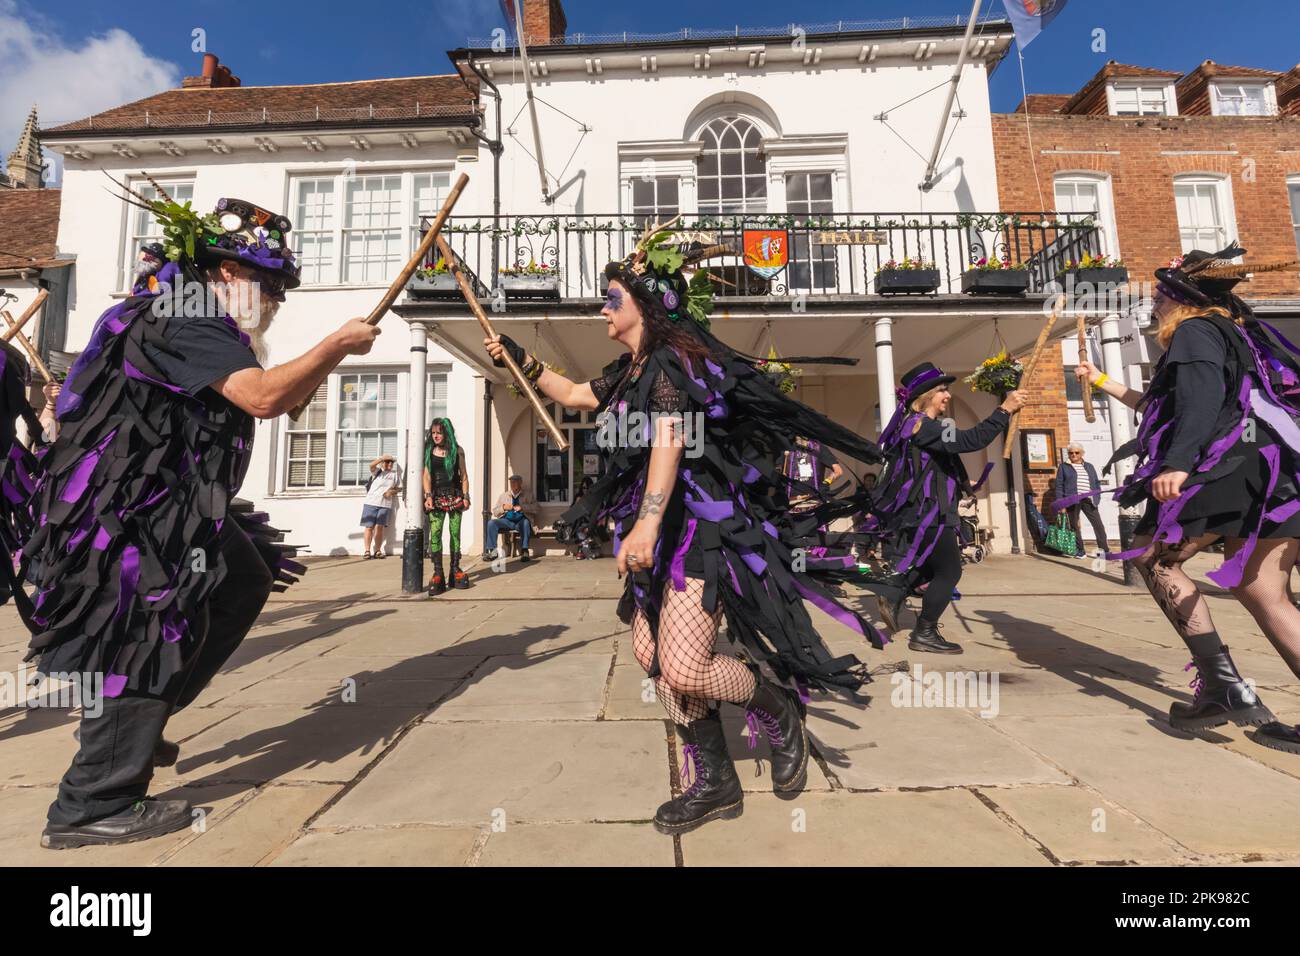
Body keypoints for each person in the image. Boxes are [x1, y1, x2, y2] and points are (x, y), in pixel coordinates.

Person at [484, 225, 902, 834]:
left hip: (693, 528)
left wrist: (649, 522)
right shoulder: (628, 371)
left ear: (644, 304)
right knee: (652, 653)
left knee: (683, 666)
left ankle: (778, 707)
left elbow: (672, 437)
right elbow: (575, 392)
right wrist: (519, 357)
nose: (602, 308)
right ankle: (717, 780)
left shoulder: (671, 365)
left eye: (611, 298)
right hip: (657, 529)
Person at [17, 190, 380, 849]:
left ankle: (141, 726)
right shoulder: (185, 314)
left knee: (242, 576)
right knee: (148, 630)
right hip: (127, 520)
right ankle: (91, 803)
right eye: (269, 284)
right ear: (229, 273)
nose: (273, 299)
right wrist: (337, 344)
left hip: (167, 502)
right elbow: (263, 397)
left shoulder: (188, 310)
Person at [1071, 243, 1300, 752]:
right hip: (1269, 474)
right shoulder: (1229, 331)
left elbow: (1199, 403)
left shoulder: (1194, 332)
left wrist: (1177, 464)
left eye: (1159, 293)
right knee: (1262, 590)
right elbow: (1163, 406)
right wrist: (1102, 381)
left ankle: (1223, 688)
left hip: (1223, 469)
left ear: (1180, 297)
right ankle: (1224, 689)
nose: (1153, 302)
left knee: (1153, 556)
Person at [872, 363, 1026, 652]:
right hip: (930, 513)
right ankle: (924, 633)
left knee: (931, 568)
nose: (948, 396)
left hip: (924, 512)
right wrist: (1004, 409)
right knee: (949, 572)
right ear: (927, 395)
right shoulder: (924, 426)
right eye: (942, 390)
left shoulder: (916, 426)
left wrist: (963, 485)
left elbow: (939, 462)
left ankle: (894, 593)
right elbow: (971, 440)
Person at [423, 417, 470, 595]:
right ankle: (438, 573)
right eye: (433, 433)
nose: (435, 436)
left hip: (455, 496)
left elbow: (464, 476)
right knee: (435, 533)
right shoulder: (429, 451)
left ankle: (455, 570)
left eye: (439, 433)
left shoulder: (458, 451)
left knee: (455, 533)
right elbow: (426, 476)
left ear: (446, 433)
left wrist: (466, 496)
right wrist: (427, 496)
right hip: (435, 498)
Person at [1054, 443, 1109, 559]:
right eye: (1071, 453)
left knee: (1098, 525)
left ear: (1082, 453)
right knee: (1074, 526)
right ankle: (1081, 551)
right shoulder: (1064, 467)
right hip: (1072, 499)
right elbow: (1059, 486)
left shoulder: (1089, 466)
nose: (1073, 455)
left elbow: (1095, 483)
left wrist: (1096, 497)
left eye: (1076, 452)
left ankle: (1104, 551)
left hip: (1088, 500)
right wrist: (1061, 504)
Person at [485, 474, 536, 561]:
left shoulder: (528, 495)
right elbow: (495, 512)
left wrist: (522, 507)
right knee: (491, 523)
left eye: (515, 482)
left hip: (520, 521)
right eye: (511, 482)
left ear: (520, 483)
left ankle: (524, 551)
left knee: (525, 523)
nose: (513, 484)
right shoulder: (504, 496)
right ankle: (493, 552)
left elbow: (537, 508)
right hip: (507, 521)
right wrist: (503, 507)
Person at [361, 454, 402, 558]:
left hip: (385, 504)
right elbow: (371, 466)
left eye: (392, 462)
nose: (390, 464)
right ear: (383, 463)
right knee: (369, 527)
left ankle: (377, 550)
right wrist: (381, 458)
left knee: (380, 528)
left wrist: (391, 492)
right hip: (371, 502)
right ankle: (367, 551)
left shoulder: (394, 475)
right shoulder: (378, 471)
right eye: (387, 462)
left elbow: (399, 488)